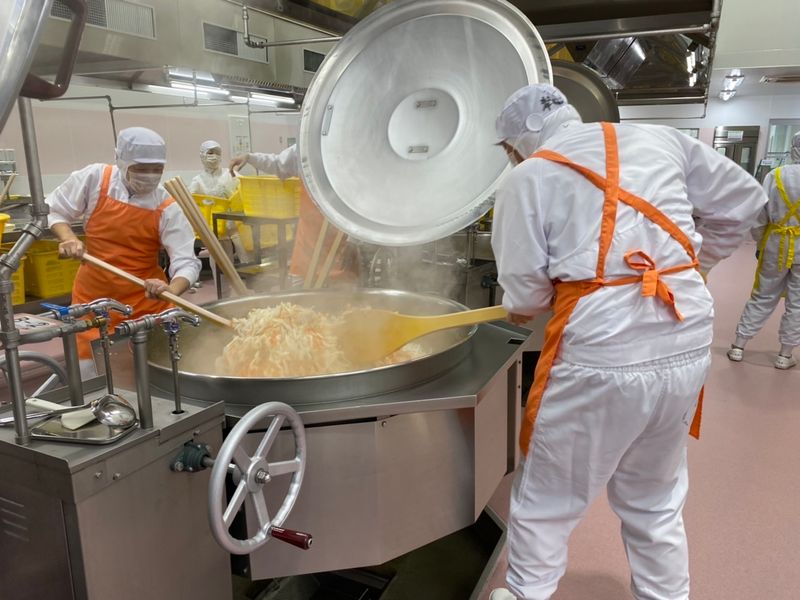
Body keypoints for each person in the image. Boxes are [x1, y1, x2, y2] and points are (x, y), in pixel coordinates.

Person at [488, 85, 766, 600]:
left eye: (508, 149)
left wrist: (526, 301)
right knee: (655, 497)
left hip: (601, 352)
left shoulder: (528, 177)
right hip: (684, 331)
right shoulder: (661, 139)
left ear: (519, 140)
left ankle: (526, 593)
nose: (511, 159)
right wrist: (697, 265)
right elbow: (746, 200)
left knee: (548, 494)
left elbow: (526, 295)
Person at [48, 127, 201, 377]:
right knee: (91, 376)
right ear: (122, 161)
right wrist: (68, 238)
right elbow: (54, 210)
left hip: (145, 305)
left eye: (157, 169)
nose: (150, 176)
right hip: (93, 302)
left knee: (147, 377)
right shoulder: (95, 179)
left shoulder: (166, 206)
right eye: (141, 168)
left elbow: (187, 262)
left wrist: (170, 290)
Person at [229, 144, 356, 285]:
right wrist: (250, 157)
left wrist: (354, 240)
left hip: (340, 245)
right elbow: (278, 164)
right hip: (307, 243)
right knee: (300, 290)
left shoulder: (351, 148)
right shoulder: (306, 146)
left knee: (342, 293)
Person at [727, 131, 800, 369]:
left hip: (776, 244)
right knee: (798, 303)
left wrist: (761, 243)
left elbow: (759, 215)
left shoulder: (775, 175)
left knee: (763, 295)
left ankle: (739, 346)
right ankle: (785, 355)